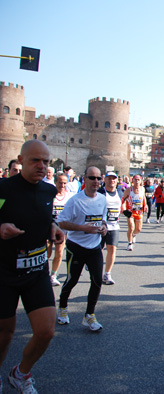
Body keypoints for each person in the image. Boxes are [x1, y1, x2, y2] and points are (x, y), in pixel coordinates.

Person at [0, 140, 65, 393]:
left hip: (37, 270)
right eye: (35, 161)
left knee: (46, 332)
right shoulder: (3, 189)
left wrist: (54, 227)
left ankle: (21, 373)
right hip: (4, 272)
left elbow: (45, 217)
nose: (42, 166)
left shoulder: (48, 190)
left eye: (46, 162)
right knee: (5, 333)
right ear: (21, 159)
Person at [56, 166, 108, 332]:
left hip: (94, 246)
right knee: (72, 280)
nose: (96, 181)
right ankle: (63, 307)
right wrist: (82, 228)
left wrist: (104, 228)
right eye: (92, 178)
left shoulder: (102, 199)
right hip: (76, 246)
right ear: (84, 179)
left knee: (97, 280)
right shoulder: (75, 200)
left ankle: (89, 315)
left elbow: (103, 219)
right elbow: (62, 222)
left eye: (98, 178)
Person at [49, 172, 74, 286]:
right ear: (55, 182)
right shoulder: (49, 194)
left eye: (65, 183)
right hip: (48, 228)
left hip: (62, 229)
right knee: (47, 253)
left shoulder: (69, 197)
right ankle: (43, 273)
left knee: (59, 253)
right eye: (60, 183)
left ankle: (53, 275)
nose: (62, 185)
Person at [98, 172, 123, 285]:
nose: (111, 181)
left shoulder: (120, 192)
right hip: (101, 226)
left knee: (112, 249)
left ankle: (107, 274)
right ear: (105, 180)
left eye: (114, 179)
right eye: (109, 179)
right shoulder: (100, 192)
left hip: (114, 226)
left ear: (117, 181)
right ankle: (93, 266)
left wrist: (125, 211)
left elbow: (121, 205)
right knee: (98, 250)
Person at [122, 174, 147, 251]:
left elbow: (143, 197)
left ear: (141, 181)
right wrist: (124, 210)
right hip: (130, 212)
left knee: (138, 229)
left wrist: (145, 205)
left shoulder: (142, 189)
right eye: (135, 180)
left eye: (138, 180)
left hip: (139, 211)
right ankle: (129, 244)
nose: (137, 181)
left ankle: (134, 235)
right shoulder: (129, 190)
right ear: (132, 181)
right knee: (131, 227)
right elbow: (122, 200)